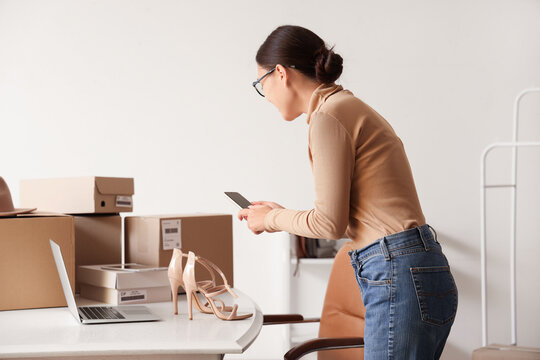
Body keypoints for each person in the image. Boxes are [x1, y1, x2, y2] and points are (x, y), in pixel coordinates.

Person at [238, 25, 457, 359]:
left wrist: (271, 219)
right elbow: (343, 215)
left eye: (260, 83)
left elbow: (329, 225)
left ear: (280, 73)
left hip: (396, 268)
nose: (264, 94)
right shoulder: (344, 107)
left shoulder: (328, 116)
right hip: (417, 267)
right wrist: (276, 213)